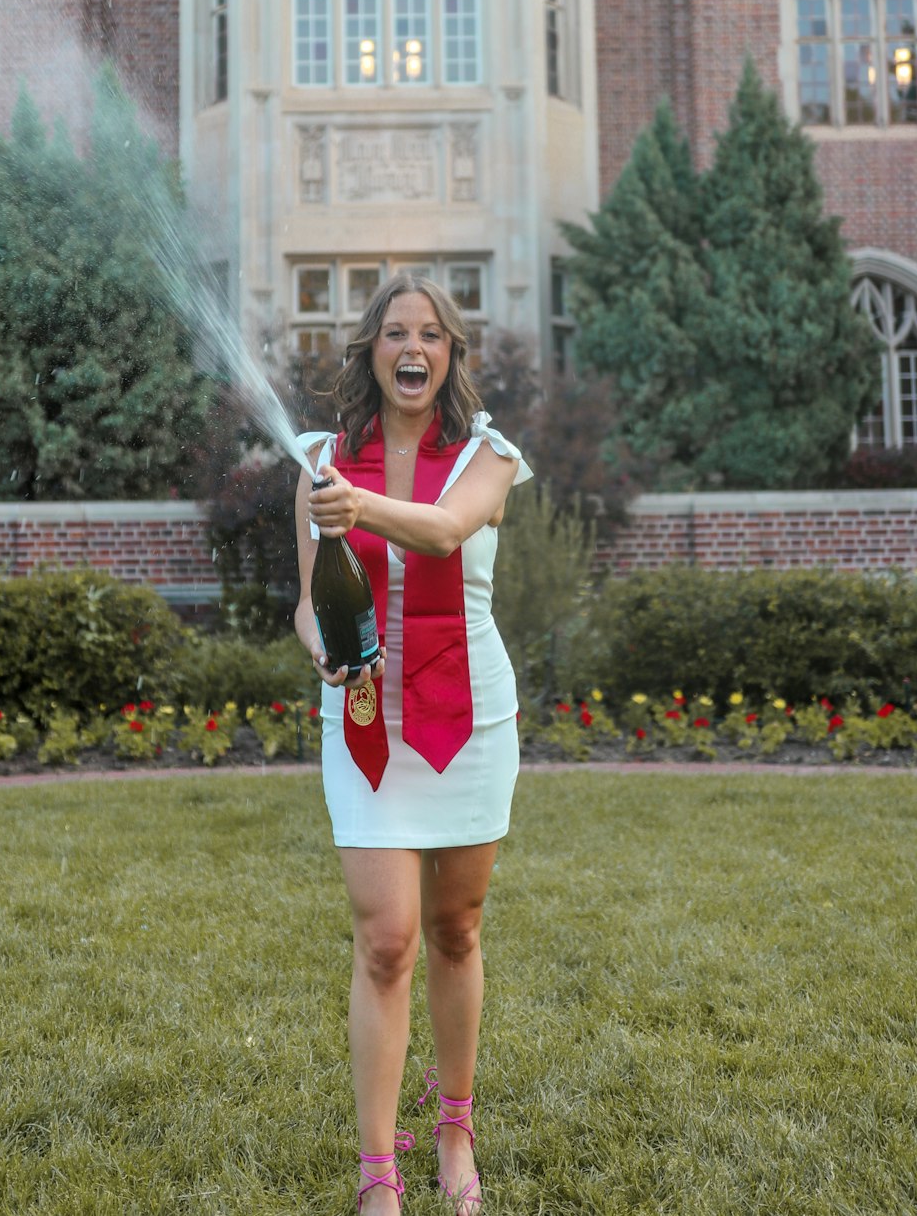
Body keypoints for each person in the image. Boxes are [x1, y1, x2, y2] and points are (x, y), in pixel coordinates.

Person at [294, 273, 532, 1214]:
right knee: (387, 940)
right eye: (396, 332)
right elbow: (309, 604)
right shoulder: (316, 460)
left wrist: (352, 506)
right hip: (364, 722)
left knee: (455, 929)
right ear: (371, 350)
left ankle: (455, 1131)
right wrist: (323, 651)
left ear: (450, 355)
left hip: (471, 717)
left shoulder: (491, 455)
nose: (413, 348)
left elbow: (442, 532)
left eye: (432, 334)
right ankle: (377, 1173)